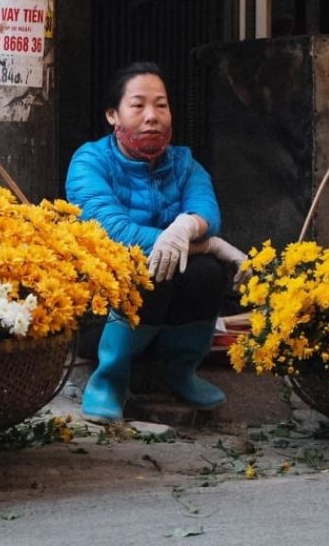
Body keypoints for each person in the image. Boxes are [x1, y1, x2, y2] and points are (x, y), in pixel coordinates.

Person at [65, 62, 247, 422]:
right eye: (138, 105)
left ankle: (180, 372)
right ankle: (109, 381)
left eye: (161, 105)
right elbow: (117, 233)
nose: (152, 116)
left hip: (166, 310)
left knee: (206, 273)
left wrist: (188, 226)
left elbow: (207, 213)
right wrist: (207, 244)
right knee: (153, 267)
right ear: (112, 114)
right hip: (102, 314)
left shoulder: (184, 164)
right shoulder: (89, 161)